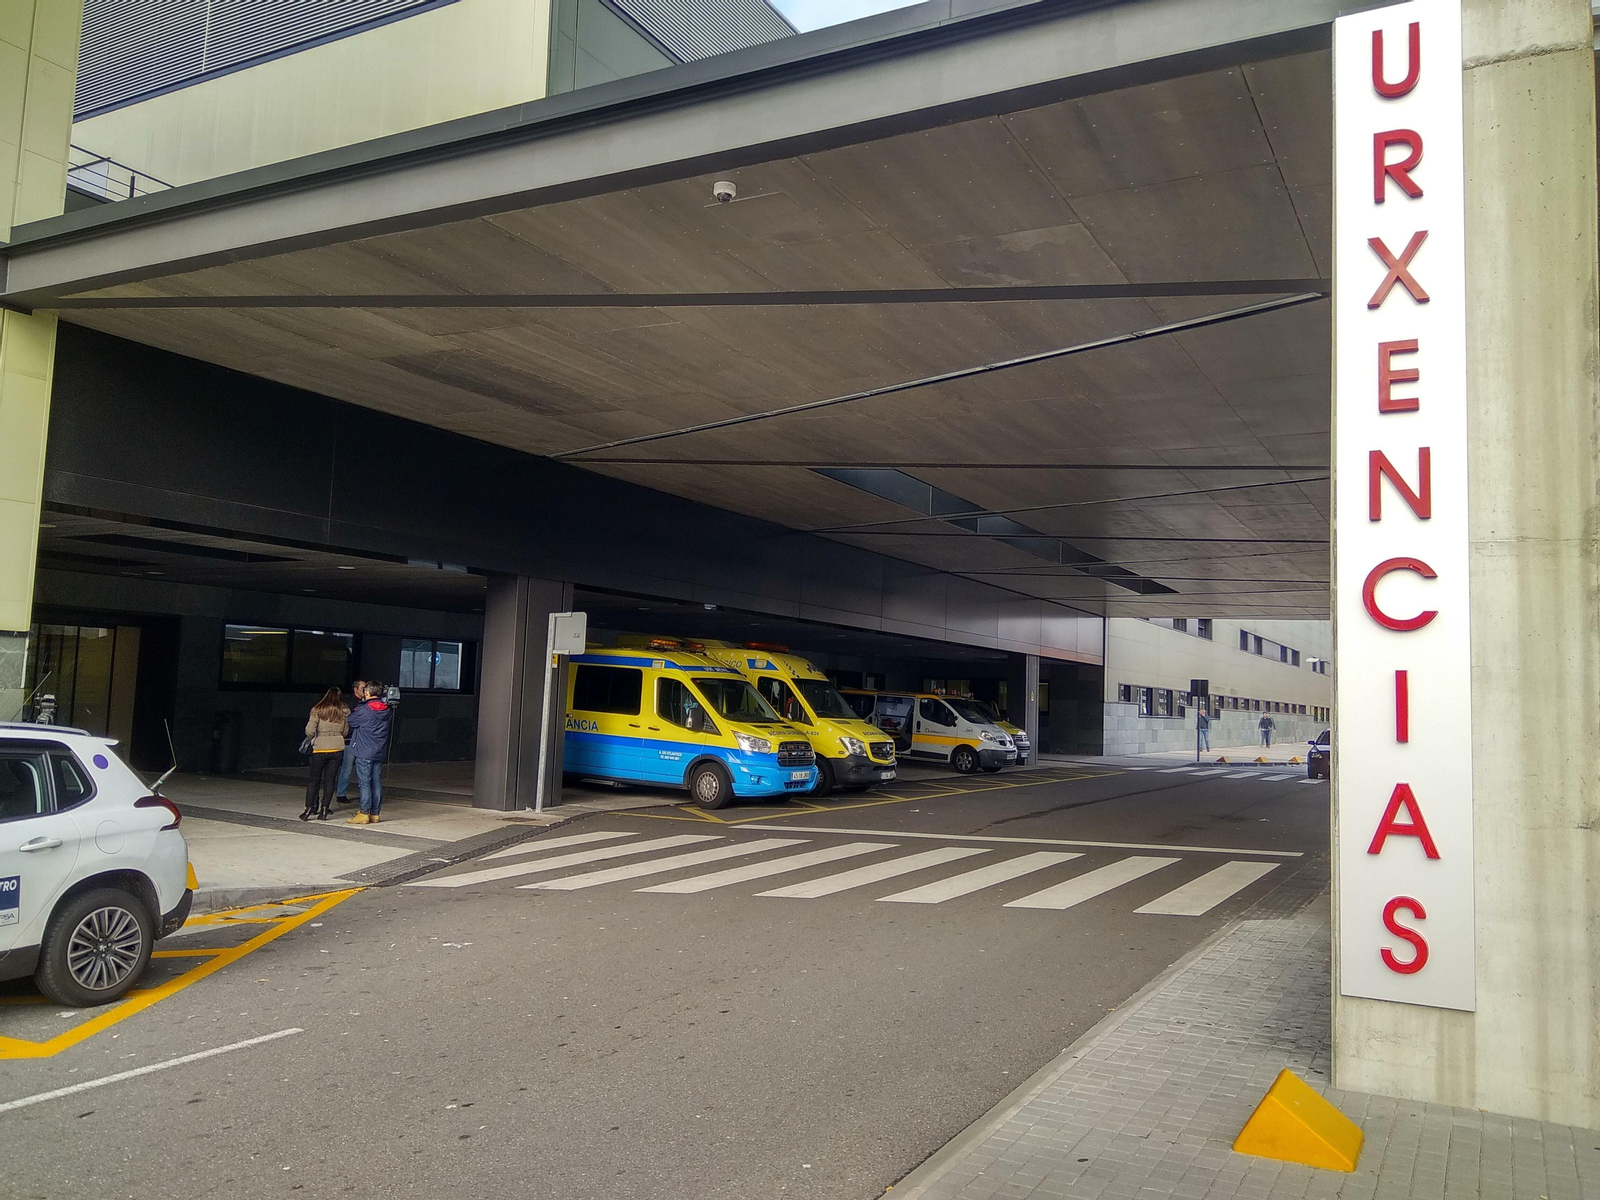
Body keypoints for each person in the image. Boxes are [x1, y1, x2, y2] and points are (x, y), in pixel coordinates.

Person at [346, 681, 392, 825]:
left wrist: (361, 704)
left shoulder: (365, 710)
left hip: (364, 751)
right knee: (376, 782)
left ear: (367, 692)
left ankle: (364, 813)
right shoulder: (386, 709)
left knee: (365, 783)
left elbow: (351, 721)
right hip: (379, 750)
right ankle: (375, 813)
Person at [301, 688, 349, 821]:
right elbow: (345, 732)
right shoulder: (343, 711)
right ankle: (324, 809)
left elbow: (309, 730)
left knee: (314, 780)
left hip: (320, 748)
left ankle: (309, 808)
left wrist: (314, 739)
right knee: (330, 780)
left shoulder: (318, 710)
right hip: (337, 748)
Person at [334, 681, 366, 803]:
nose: (365, 690)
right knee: (347, 768)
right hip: (350, 739)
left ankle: (364, 794)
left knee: (363, 768)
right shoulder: (349, 704)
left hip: (362, 739)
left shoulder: (366, 702)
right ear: (355, 689)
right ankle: (341, 793)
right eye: (363, 688)